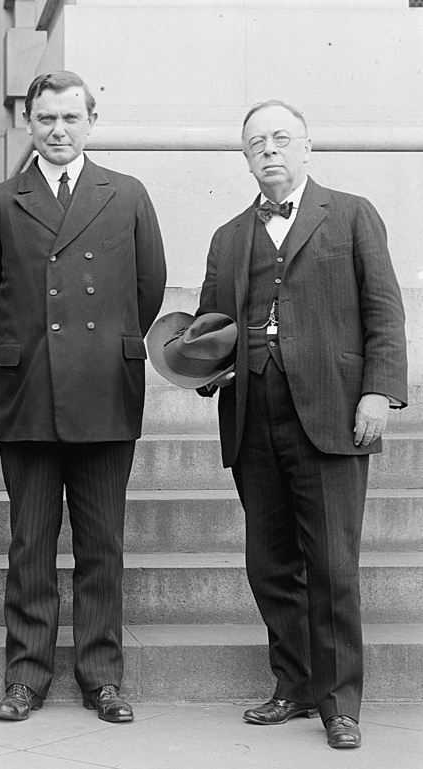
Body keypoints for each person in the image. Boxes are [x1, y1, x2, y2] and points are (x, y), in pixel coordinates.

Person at [195, 100, 408, 749]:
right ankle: (294, 684)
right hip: (253, 415)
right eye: (257, 142)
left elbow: (384, 311)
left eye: (281, 138)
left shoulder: (352, 214)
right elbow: (210, 329)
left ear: (307, 147)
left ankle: (340, 705)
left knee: (334, 566)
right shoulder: (229, 236)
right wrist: (199, 367)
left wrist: (378, 392)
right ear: (245, 157)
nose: (270, 150)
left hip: (333, 412)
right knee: (269, 562)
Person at [0, 70, 166, 722]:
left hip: (105, 388)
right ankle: (26, 676)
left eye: (70, 118)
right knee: (31, 544)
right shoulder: (0, 202)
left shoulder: (126, 194)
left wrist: (99, 347)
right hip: (27, 391)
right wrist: (33, 350)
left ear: (91, 122)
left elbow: (148, 288)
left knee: (102, 544)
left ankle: (102, 677)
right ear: (29, 122)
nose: (57, 130)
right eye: (46, 119)